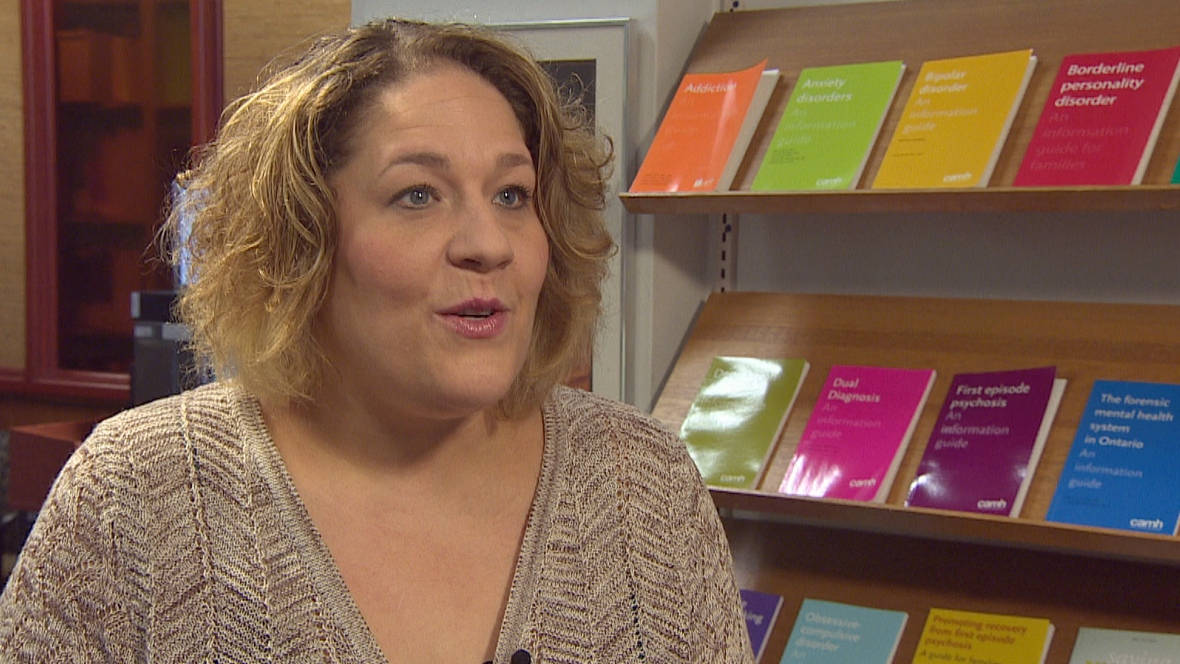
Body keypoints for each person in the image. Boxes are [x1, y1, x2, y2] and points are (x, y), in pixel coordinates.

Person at [0, 18, 753, 663]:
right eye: (417, 194)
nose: (488, 244)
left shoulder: (641, 483)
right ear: (303, 241)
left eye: (511, 194)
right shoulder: (135, 494)